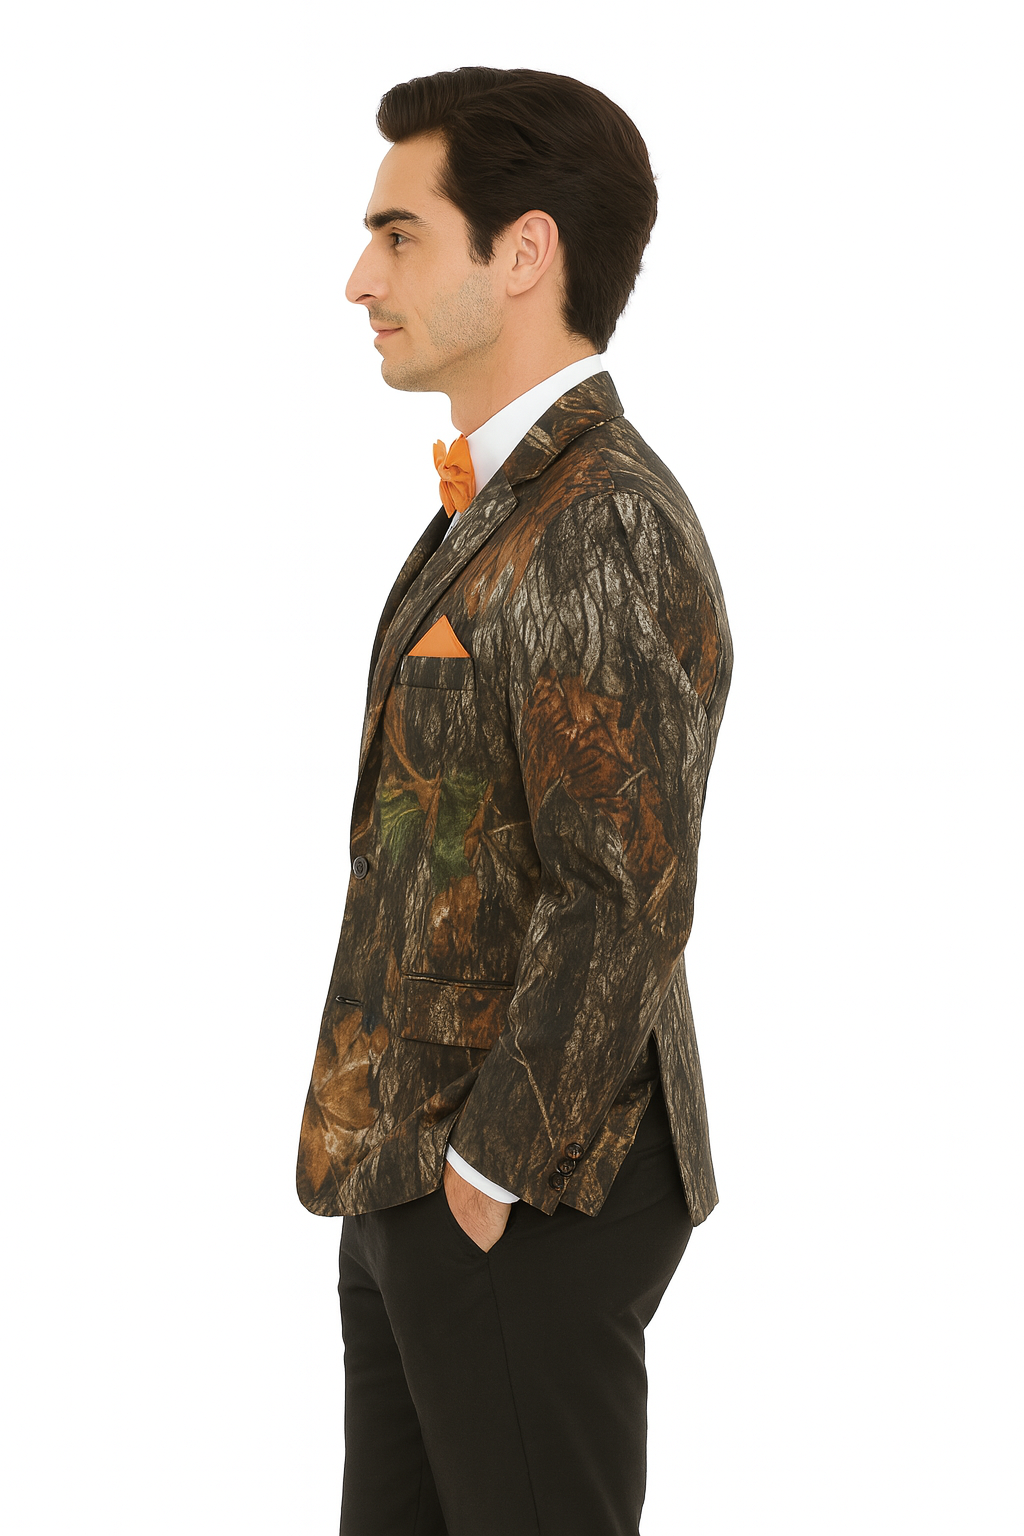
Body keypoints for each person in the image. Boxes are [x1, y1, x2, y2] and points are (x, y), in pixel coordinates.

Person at [295, 65, 733, 1536]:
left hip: (523, 1187)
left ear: (526, 252)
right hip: (413, 1175)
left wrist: (487, 1167)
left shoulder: (601, 522)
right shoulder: (499, 509)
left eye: (399, 234)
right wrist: (410, 1178)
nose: (361, 278)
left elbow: (626, 889)